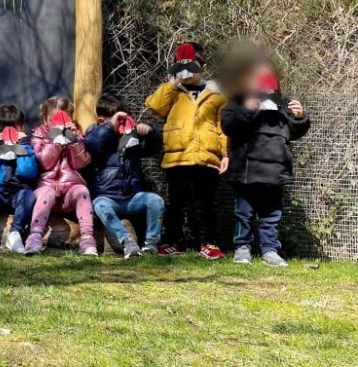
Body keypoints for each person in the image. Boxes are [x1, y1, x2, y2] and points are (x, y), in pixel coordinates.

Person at [221, 58, 310, 267]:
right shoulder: (237, 101)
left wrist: (300, 116)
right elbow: (228, 126)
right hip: (246, 171)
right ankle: (242, 248)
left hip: (275, 171)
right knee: (244, 214)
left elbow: (296, 131)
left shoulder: (283, 105)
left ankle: (270, 250)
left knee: (272, 215)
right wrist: (248, 108)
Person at [145, 42, 229, 259]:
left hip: (206, 156)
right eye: (181, 65)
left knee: (205, 203)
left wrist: (226, 154)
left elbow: (222, 128)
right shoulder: (172, 92)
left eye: (192, 65)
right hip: (177, 157)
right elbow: (155, 106)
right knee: (177, 202)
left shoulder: (216, 95)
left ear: (202, 66)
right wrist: (172, 83)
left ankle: (208, 243)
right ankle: (172, 241)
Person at [84, 94, 164, 259]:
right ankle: (127, 241)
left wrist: (150, 132)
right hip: (107, 197)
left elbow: (153, 148)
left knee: (156, 201)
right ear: (101, 121)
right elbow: (92, 144)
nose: (121, 123)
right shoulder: (95, 133)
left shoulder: (132, 137)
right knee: (99, 205)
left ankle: (151, 244)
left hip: (132, 197)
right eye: (117, 119)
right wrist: (109, 126)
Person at [25, 96, 96, 256]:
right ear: (44, 119)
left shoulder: (76, 135)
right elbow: (45, 163)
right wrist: (56, 141)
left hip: (69, 190)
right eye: (52, 120)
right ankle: (35, 236)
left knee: (82, 191)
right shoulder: (38, 136)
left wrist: (73, 141)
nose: (57, 124)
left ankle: (87, 237)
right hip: (46, 187)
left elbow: (81, 163)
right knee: (46, 193)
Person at [0, 104, 38, 253]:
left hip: (18, 192)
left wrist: (22, 147)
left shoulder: (27, 145)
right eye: (4, 130)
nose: (9, 133)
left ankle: (15, 233)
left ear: (21, 127)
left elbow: (27, 172)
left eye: (14, 129)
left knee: (29, 195)